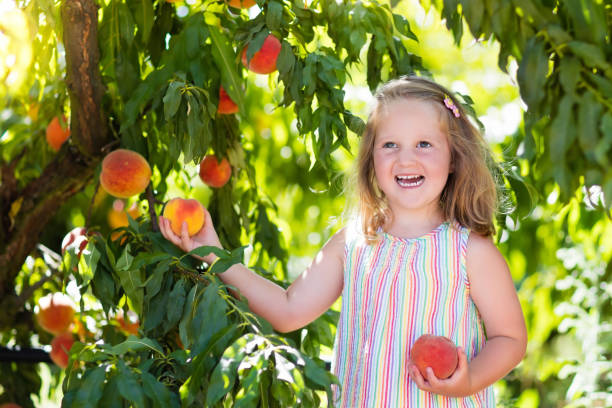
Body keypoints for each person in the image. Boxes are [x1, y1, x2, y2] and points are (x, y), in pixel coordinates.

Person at [159, 76, 527, 407]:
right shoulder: (354, 240)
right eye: (390, 145)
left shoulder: (470, 252)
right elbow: (288, 310)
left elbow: (510, 338)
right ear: (371, 161)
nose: (406, 159)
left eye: (424, 144)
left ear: (453, 159)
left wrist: (468, 382)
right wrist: (212, 251)